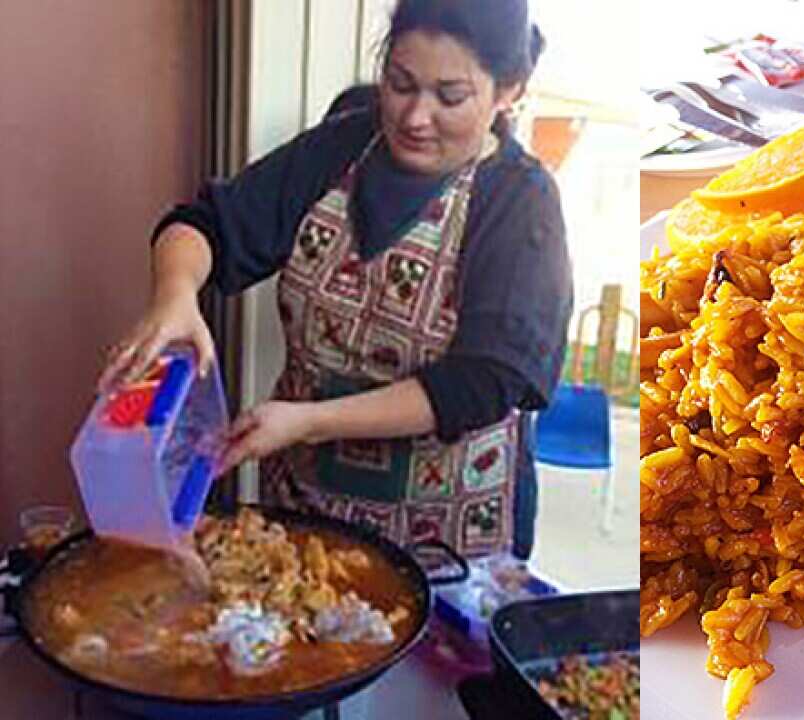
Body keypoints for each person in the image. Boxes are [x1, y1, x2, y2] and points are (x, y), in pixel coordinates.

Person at [98, 0, 571, 567]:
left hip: (442, 537)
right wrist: (175, 295)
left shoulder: (520, 203)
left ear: (508, 91)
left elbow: (485, 381)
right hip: (304, 508)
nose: (415, 117)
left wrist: (309, 422)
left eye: (450, 97)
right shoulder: (341, 148)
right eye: (400, 83)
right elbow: (204, 226)